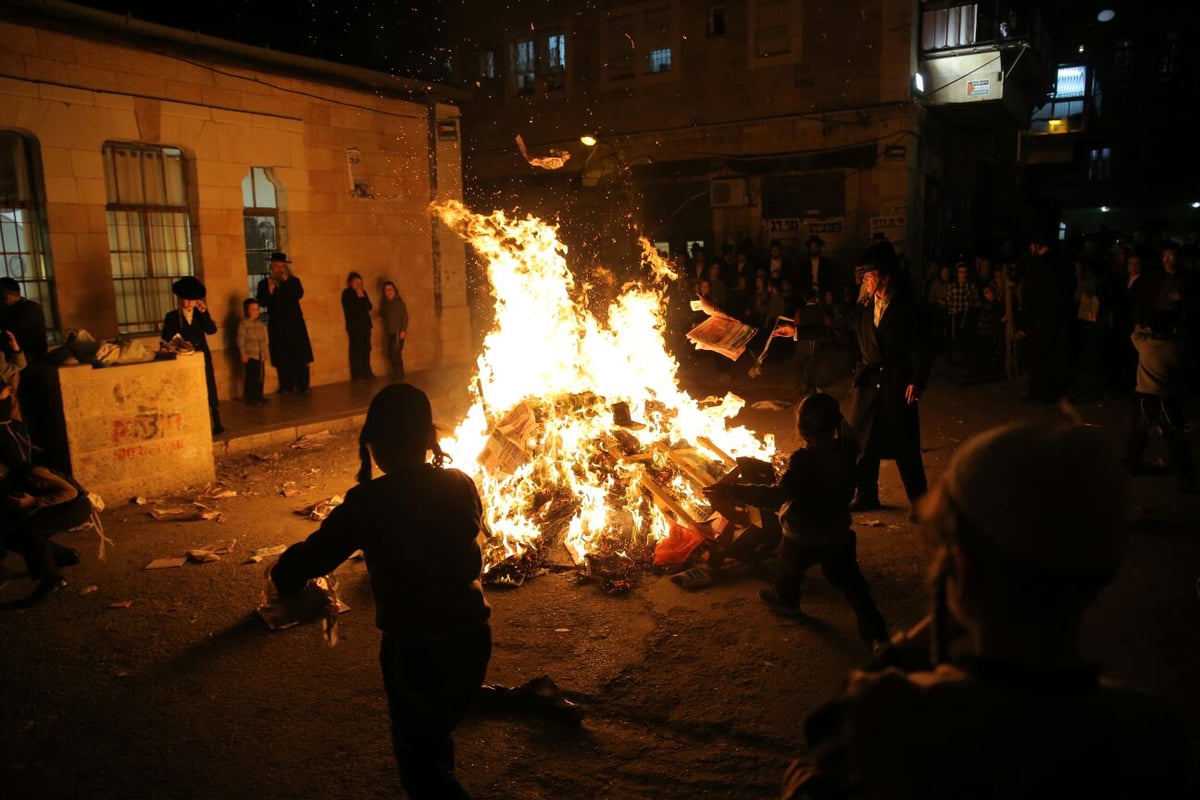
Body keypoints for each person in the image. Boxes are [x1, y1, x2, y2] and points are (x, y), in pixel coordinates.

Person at [781, 418, 1192, 799]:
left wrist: (920, 639)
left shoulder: (897, 712)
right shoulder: (1153, 731)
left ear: (963, 572)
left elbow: (823, 731)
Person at [270, 383, 492, 800]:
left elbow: (314, 556)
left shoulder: (368, 502)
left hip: (417, 652)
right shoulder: (460, 483)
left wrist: (281, 575)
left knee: (422, 770)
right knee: (435, 736)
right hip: (472, 639)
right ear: (431, 439)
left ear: (373, 445)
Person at [702, 393, 888, 649]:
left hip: (802, 535)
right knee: (854, 587)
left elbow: (777, 496)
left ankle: (786, 601)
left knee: (788, 570)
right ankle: (878, 637)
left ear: (803, 430)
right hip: (837, 533)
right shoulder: (848, 450)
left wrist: (734, 490)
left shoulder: (804, 461)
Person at [847, 252, 930, 515]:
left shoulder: (907, 308)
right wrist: (799, 332)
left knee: (905, 445)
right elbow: (840, 328)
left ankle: (921, 503)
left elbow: (922, 347)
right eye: (865, 276)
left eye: (870, 276)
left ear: (885, 277)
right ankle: (867, 495)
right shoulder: (864, 306)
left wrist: (916, 380)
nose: (866, 281)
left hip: (896, 382)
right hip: (869, 383)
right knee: (864, 443)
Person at [0, 379, 88, 605]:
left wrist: (34, 503)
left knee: (30, 530)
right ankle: (62, 556)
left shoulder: (31, 472)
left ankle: (52, 579)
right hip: (54, 504)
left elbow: (68, 491)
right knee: (11, 533)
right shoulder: (12, 479)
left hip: (73, 505)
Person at [1126, 310, 1194, 494]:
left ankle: (1132, 465)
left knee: (1139, 433)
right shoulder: (1177, 347)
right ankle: (1186, 480)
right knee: (1176, 437)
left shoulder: (1144, 343)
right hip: (1168, 398)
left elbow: (1135, 332)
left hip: (1144, 396)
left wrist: (1148, 328)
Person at [161, 276, 223, 436]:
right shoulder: (172, 316)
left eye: (192, 300)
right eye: (185, 300)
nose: (188, 303)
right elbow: (166, 338)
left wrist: (204, 312)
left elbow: (211, 330)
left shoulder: (200, 314)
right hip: (183, 358)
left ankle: (217, 421)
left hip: (202, 355)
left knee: (209, 385)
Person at [256, 252, 314, 394]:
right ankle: (286, 386)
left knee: (299, 355)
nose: (280, 269)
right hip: (277, 325)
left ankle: (302, 386)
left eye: (282, 266)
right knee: (282, 356)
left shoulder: (293, 281)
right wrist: (270, 291)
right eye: (277, 266)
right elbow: (261, 302)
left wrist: (286, 280)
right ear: (272, 267)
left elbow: (298, 294)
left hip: (295, 324)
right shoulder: (264, 284)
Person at [341, 271, 374, 382]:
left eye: (360, 283)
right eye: (357, 283)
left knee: (366, 348)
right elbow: (353, 309)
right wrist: (360, 298)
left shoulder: (362, 293)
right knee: (356, 350)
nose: (359, 286)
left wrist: (362, 296)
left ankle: (367, 372)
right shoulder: (347, 294)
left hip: (365, 325)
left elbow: (369, 307)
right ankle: (357, 375)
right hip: (355, 326)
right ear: (350, 283)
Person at [236, 298, 269, 406]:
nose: (256, 311)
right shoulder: (243, 324)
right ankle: (251, 397)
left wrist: (265, 352)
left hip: (259, 355)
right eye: (253, 309)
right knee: (252, 377)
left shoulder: (260, 324)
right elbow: (240, 340)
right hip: (250, 355)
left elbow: (264, 340)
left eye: (257, 309)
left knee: (260, 376)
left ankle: (259, 395)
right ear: (246, 311)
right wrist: (243, 353)